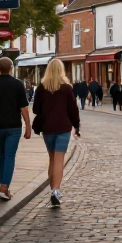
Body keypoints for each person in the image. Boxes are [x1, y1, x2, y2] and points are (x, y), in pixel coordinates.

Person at [0, 57, 32, 201]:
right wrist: (27, 126)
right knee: (9, 156)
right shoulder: (17, 85)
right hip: (14, 126)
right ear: (11, 68)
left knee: (1, 156)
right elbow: (24, 108)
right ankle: (4, 187)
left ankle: (3, 186)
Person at [33, 59, 80, 207]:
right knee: (59, 160)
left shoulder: (41, 88)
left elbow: (35, 110)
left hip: (47, 128)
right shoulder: (66, 88)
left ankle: (52, 190)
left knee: (52, 159)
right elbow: (73, 109)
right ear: (61, 70)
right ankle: (55, 191)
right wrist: (77, 126)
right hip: (63, 128)